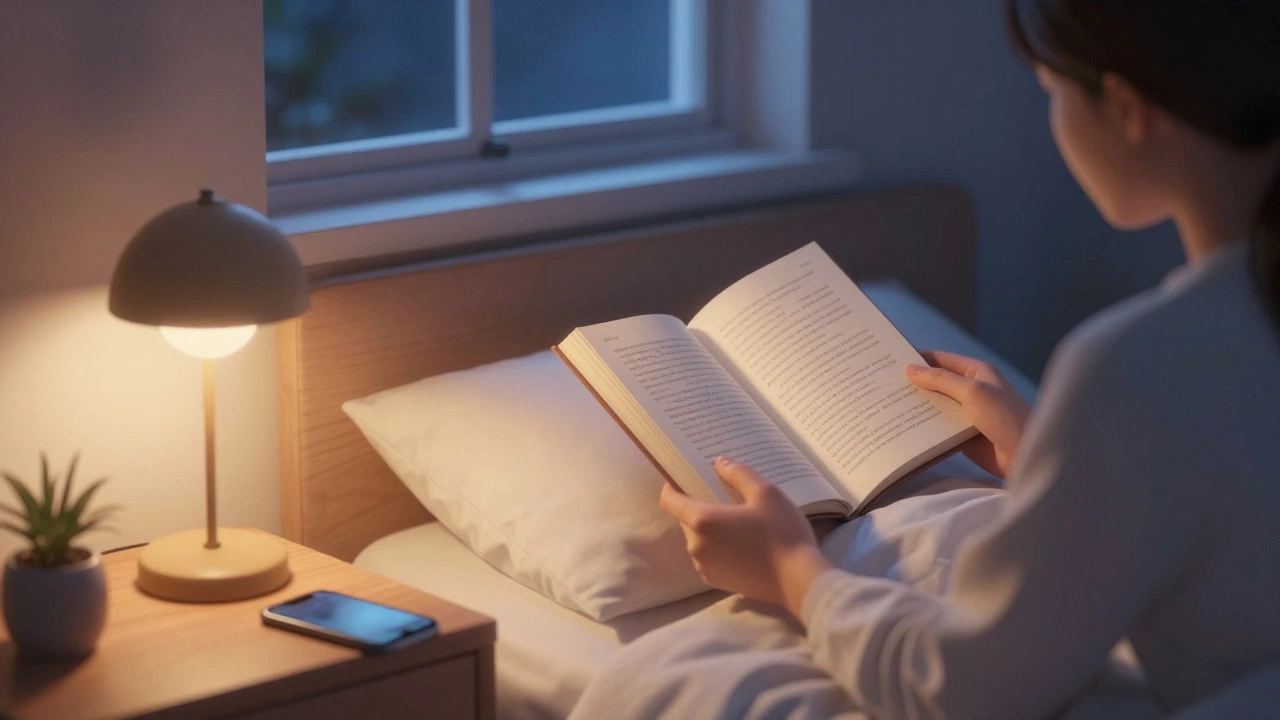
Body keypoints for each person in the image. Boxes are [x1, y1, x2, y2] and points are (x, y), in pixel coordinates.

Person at [653, 1, 1280, 717]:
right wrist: (1053, 452)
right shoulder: (1205, 344)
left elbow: (963, 686)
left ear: (1126, 110)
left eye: (1050, 91)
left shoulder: (1139, 364)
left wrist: (790, 568)